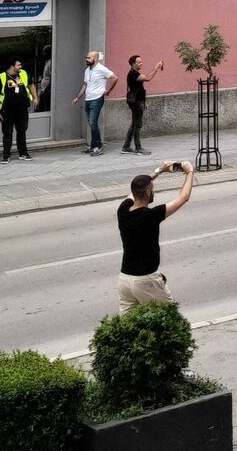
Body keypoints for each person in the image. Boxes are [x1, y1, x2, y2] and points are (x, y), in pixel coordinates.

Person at [116, 160, 196, 311]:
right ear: (148, 193)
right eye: (152, 189)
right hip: (146, 280)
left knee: (129, 327)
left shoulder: (123, 210)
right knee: (169, 317)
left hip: (124, 279)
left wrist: (159, 170)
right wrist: (189, 172)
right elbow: (184, 197)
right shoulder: (151, 215)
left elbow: (136, 189)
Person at [74, 50, 117, 155]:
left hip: (97, 98)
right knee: (91, 123)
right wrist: (78, 97)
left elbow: (114, 78)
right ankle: (93, 146)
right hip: (88, 99)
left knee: (93, 123)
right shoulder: (87, 70)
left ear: (96, 58)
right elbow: (85, 84)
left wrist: (108, 91)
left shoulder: (102, 69)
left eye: (89, 58)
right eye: (87, 58)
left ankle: (98, 146)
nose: (87, 59)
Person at [0, 59, 35, 164]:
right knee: (7, 132)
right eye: (18, 65)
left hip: (22, 108)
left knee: (22, 131)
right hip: (7, 110)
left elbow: (31, 85)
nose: (21, 67)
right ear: (12, 66)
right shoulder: (2, 77)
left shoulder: (23, 74)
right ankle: (6, 155)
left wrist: (35, 97)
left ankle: (23, 153)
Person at [123, 54, 163, 155]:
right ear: (133, 64)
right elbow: (148, 78)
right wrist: (156, 67)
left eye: (141, 61)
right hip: (135, 103)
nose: (141, 63)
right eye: (139, 62)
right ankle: (138, 148)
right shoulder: (133, 74)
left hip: (137, 102)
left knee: (134, 124)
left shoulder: (135, 73)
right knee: (137, 125)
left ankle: (126, 146)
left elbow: (140, 89)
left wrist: (143, 102)